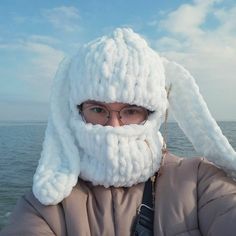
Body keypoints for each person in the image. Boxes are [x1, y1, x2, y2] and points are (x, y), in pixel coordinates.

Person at [1, 28, 236, 236]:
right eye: (97, 109)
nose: (113, 126)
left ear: (153, 114)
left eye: (131, 110)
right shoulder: (46, 204)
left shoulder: (199, 182)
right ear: (76, 111)